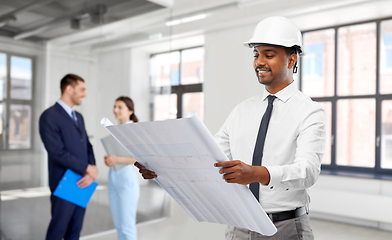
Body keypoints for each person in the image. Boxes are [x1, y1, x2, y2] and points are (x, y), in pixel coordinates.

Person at [135, 16, 325, 240]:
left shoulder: (310, 111)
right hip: (239, 225)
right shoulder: (242, 111)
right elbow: (205, 157)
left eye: (269, 54)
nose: (259, 62)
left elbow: (308, 171)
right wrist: (161, 169)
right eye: (256, 54)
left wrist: (258, 173)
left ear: (291, 60)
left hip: (284, 227)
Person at [39, 73, 98, 240]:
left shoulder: (79, 117)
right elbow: (56, 152)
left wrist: (91, 169)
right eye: (82, 90)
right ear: (69, 89)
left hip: (83, 181)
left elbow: (87, 145)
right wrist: (87, 168)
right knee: (58, 231)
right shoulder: (49, 116)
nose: (84, 94)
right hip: (63, 182)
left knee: (75, 231)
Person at [104, 96, 140, 240]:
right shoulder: (116, 129)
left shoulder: (133, 130)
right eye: (114, 107)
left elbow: (138, 157)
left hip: (126, 180)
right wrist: (110, 159)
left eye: (120, 107)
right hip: (113, 178)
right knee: (119, 226)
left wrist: (116, 159)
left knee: (127, 226)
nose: (115, 110)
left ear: (130, 111)